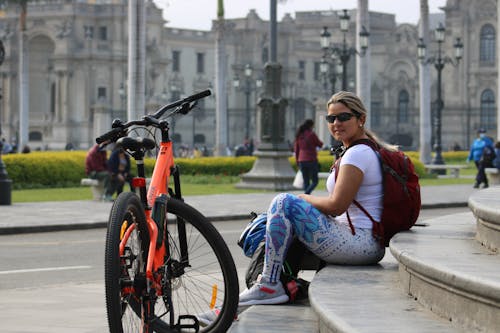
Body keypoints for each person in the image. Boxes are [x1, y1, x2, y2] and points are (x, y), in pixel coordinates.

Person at [238, 91, 389, 306]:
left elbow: (336, 206)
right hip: (361, 240)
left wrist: (302, 199)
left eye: (344, 117)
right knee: (287, 212)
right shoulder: (360, 150)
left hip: (360, 243)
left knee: (283, 202)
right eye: (331, 118)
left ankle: (269, 284)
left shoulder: (358, 154)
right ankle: (275, 283)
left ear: (361, 119)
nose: (336, 123)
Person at [293, 119, 323, 194]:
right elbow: (320, 144)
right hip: (311, 160)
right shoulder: (311, 134)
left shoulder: (299, 135)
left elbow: (296, 150)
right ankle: (306, 194)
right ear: (311, 125)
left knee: (306, 182)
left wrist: (297, 162)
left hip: (301, 160)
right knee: (315, 181)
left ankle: (306, 198)